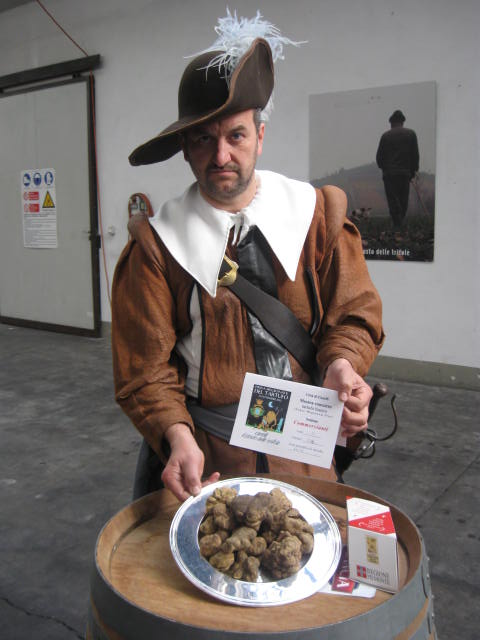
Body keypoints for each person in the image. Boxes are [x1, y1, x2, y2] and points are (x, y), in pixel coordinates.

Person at [112, 13, 384, 502]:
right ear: (184, 148)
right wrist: (176, 436)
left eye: (235, 136)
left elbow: (353, 312)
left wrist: (344, 364)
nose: (220, 156)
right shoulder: (156, 247)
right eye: (203, 139)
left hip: (305, 448)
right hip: (209, 458)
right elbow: (145, 369)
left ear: (260, 136)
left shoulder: (317, 215)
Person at [376, 109, 420, 230]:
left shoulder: (385, 136)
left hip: (389, 174)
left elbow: (379, 157)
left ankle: (397, 224)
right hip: (405, 174)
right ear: (402, 122)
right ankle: (400, 224)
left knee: (393, 200)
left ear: (392, 122)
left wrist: (384, 168)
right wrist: (413, 170)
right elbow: (415, 155)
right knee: (403, 199)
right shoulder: (411, 134)